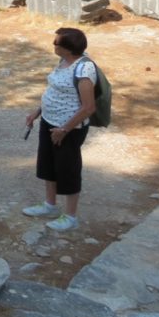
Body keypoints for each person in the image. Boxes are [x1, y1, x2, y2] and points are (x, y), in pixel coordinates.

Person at [22, 27, 97, 232]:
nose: (53, 45)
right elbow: (54, 90)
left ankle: (71, 217)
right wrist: (37, 113)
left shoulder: (84, 70)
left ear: (68, 48)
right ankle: (50, 205)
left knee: (68, 169)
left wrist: (64, 129)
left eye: (57, 43)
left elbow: (89, 107)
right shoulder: (63, 61)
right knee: (48, 165)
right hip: (49, 122)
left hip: (68, 129)